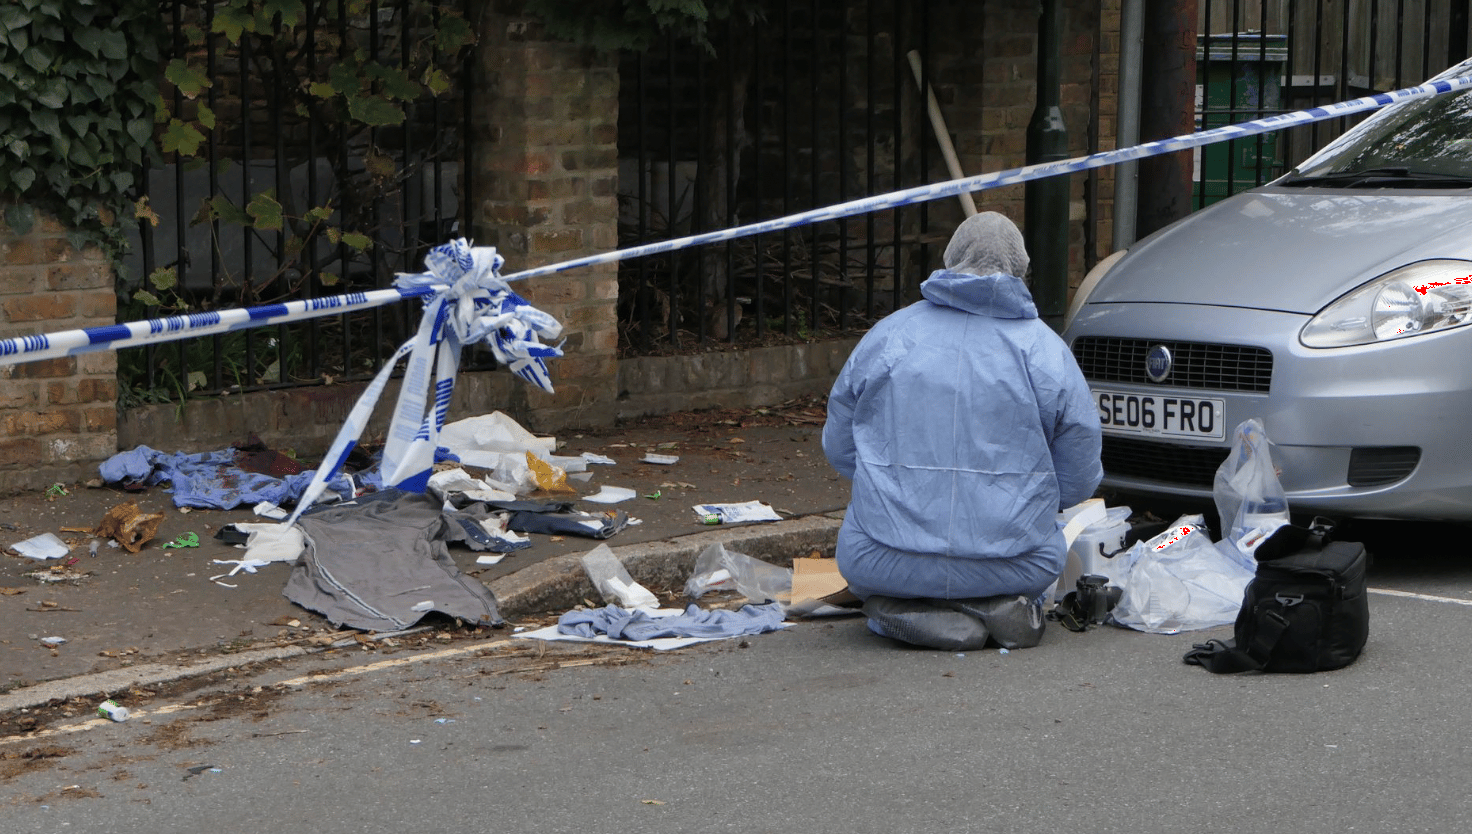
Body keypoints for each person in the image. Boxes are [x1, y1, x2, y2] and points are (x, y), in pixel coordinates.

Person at [822, 211, 1103, 650]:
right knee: (1046, 552)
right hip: (1015, 563)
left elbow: (840, 451)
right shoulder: (1046, 351)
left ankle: (897, 611)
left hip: (884, 559)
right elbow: (1079, 476)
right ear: (1021, 268)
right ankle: (995, 608)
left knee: (860, 552)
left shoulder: (890, 336)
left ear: (950, 258)